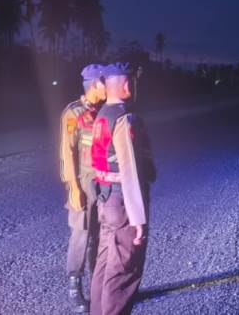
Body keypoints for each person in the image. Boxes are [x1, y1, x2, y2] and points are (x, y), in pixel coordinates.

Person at [89, 62, 156, 315]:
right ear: (127, 85)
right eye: (134, 82)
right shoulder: (124, 118)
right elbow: (130, 169)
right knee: (124, 272)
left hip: (106, 199)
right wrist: (138, 218)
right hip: (122, 203)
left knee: (105, 265)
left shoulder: (102, 114)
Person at [59, 64, 107, 313]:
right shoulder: (73, 113)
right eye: (104, 82)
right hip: (83, 182)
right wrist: (73, 188)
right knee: (81, 234)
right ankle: (74, 285)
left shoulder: (104, 111)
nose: (108, 86)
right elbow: (66, 153)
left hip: (103, 183)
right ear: (94, 85)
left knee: (100, 235)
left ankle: (97, 286)